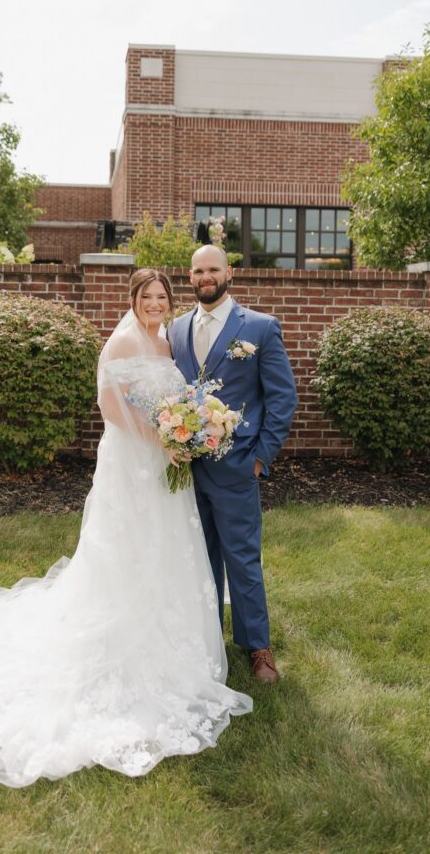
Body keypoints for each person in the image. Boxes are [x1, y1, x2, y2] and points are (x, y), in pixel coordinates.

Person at [0, 269, 251, 787]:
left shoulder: (163, 340)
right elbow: (111, 406)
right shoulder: (124, 339)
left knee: (166, 547)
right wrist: (163, 441)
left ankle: (171, 633)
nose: (155, 304)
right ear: (132, 299)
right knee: (130, 548)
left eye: (161, 298)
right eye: (146, 297)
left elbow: (163, 401)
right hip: (133, 463)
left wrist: (185, 431)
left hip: (162, 463)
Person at [168, 246, 298, 684]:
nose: (206, 277)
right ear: (190, 276)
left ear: (229, 273)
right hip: (186, 468)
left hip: (238, 465)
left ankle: (257, 647)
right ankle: (206, 639)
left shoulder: (259, 328)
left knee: (242, 559)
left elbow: (282, 397)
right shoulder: (176, 329)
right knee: (198, 558)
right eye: (199, 271)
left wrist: (261, 457)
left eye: (214, 270)